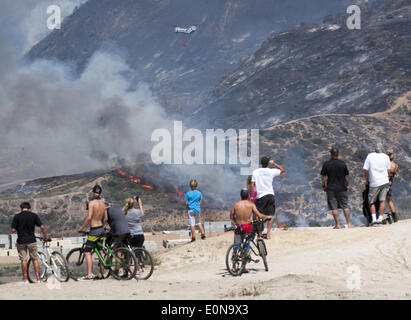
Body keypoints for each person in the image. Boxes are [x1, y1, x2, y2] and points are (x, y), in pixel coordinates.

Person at [230, 189, 273, 273]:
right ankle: (244, 267)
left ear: (241, 195)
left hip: (238, 226)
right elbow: (259, 215)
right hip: (247, 226)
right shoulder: (251, 205)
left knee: (236, 246)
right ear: (248, 196)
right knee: (247, 245)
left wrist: (236, 222)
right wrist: (267, 216)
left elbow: (231, 216)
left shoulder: (236, 204)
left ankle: (234, 266)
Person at [11, 202, 49, 284]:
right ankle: (38, 278)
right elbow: (42, 226)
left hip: (21, 241)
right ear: (29, 208)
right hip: (32, 240)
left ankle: (25, 279)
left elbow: (13, 230)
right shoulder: (34, 215)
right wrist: (45, 236)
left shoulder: (17, 216)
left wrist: (19, 228)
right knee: (34, 259)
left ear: (21, 208)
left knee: (23, 260)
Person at [78, 185, 108, 280]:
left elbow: (89, 217)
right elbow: (106, 218)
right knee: (100, 251)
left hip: (94, 230)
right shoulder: (104, 204)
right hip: (101, 229)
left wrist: (81, 228)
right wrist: (101, 225)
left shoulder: (91, 203)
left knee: (87, 251)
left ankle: (89, 275)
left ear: (93, 192)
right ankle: (101, 273)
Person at [251, 156, 285, 239]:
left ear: (261, 163)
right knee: (270, 215)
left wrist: (252, 196)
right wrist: (274, 164)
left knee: (260, 216)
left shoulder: (256, 172)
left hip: (261, 196)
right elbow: (282, 170)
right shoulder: (271, 171)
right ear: (268, 163)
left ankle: (260, 234)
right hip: (270, 195)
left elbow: (252, 184)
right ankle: (268, 234)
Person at [321, 147, 353, 229]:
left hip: (331, 188)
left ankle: (337, 225)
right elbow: (346, 176)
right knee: (345, 206)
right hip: (342, 188)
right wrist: (347, 185)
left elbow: (324, 177)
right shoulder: (342, 163)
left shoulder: (326, 164)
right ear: (338, 154)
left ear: (331, 154)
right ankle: (349, 224)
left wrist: (324, 186)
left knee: (334, 207)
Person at [363, 143, 391, 225]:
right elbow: (388, 170)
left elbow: (366, 169)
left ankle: (374, 220)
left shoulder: (370, 156)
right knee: (382, 200)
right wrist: (387, 178)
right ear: (382, 149)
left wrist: (367, 180)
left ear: (375, 149)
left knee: (371, 201)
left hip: (374, 182)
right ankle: (380, 219)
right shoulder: (386, 157)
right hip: (384, 181)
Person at [386, 149, 399, 222]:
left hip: (384, 182)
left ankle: (380, 217)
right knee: (389, 200)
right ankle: (395, 217)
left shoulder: (386, 164)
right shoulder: (395, 165)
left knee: (381, 200)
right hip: (390, 183)